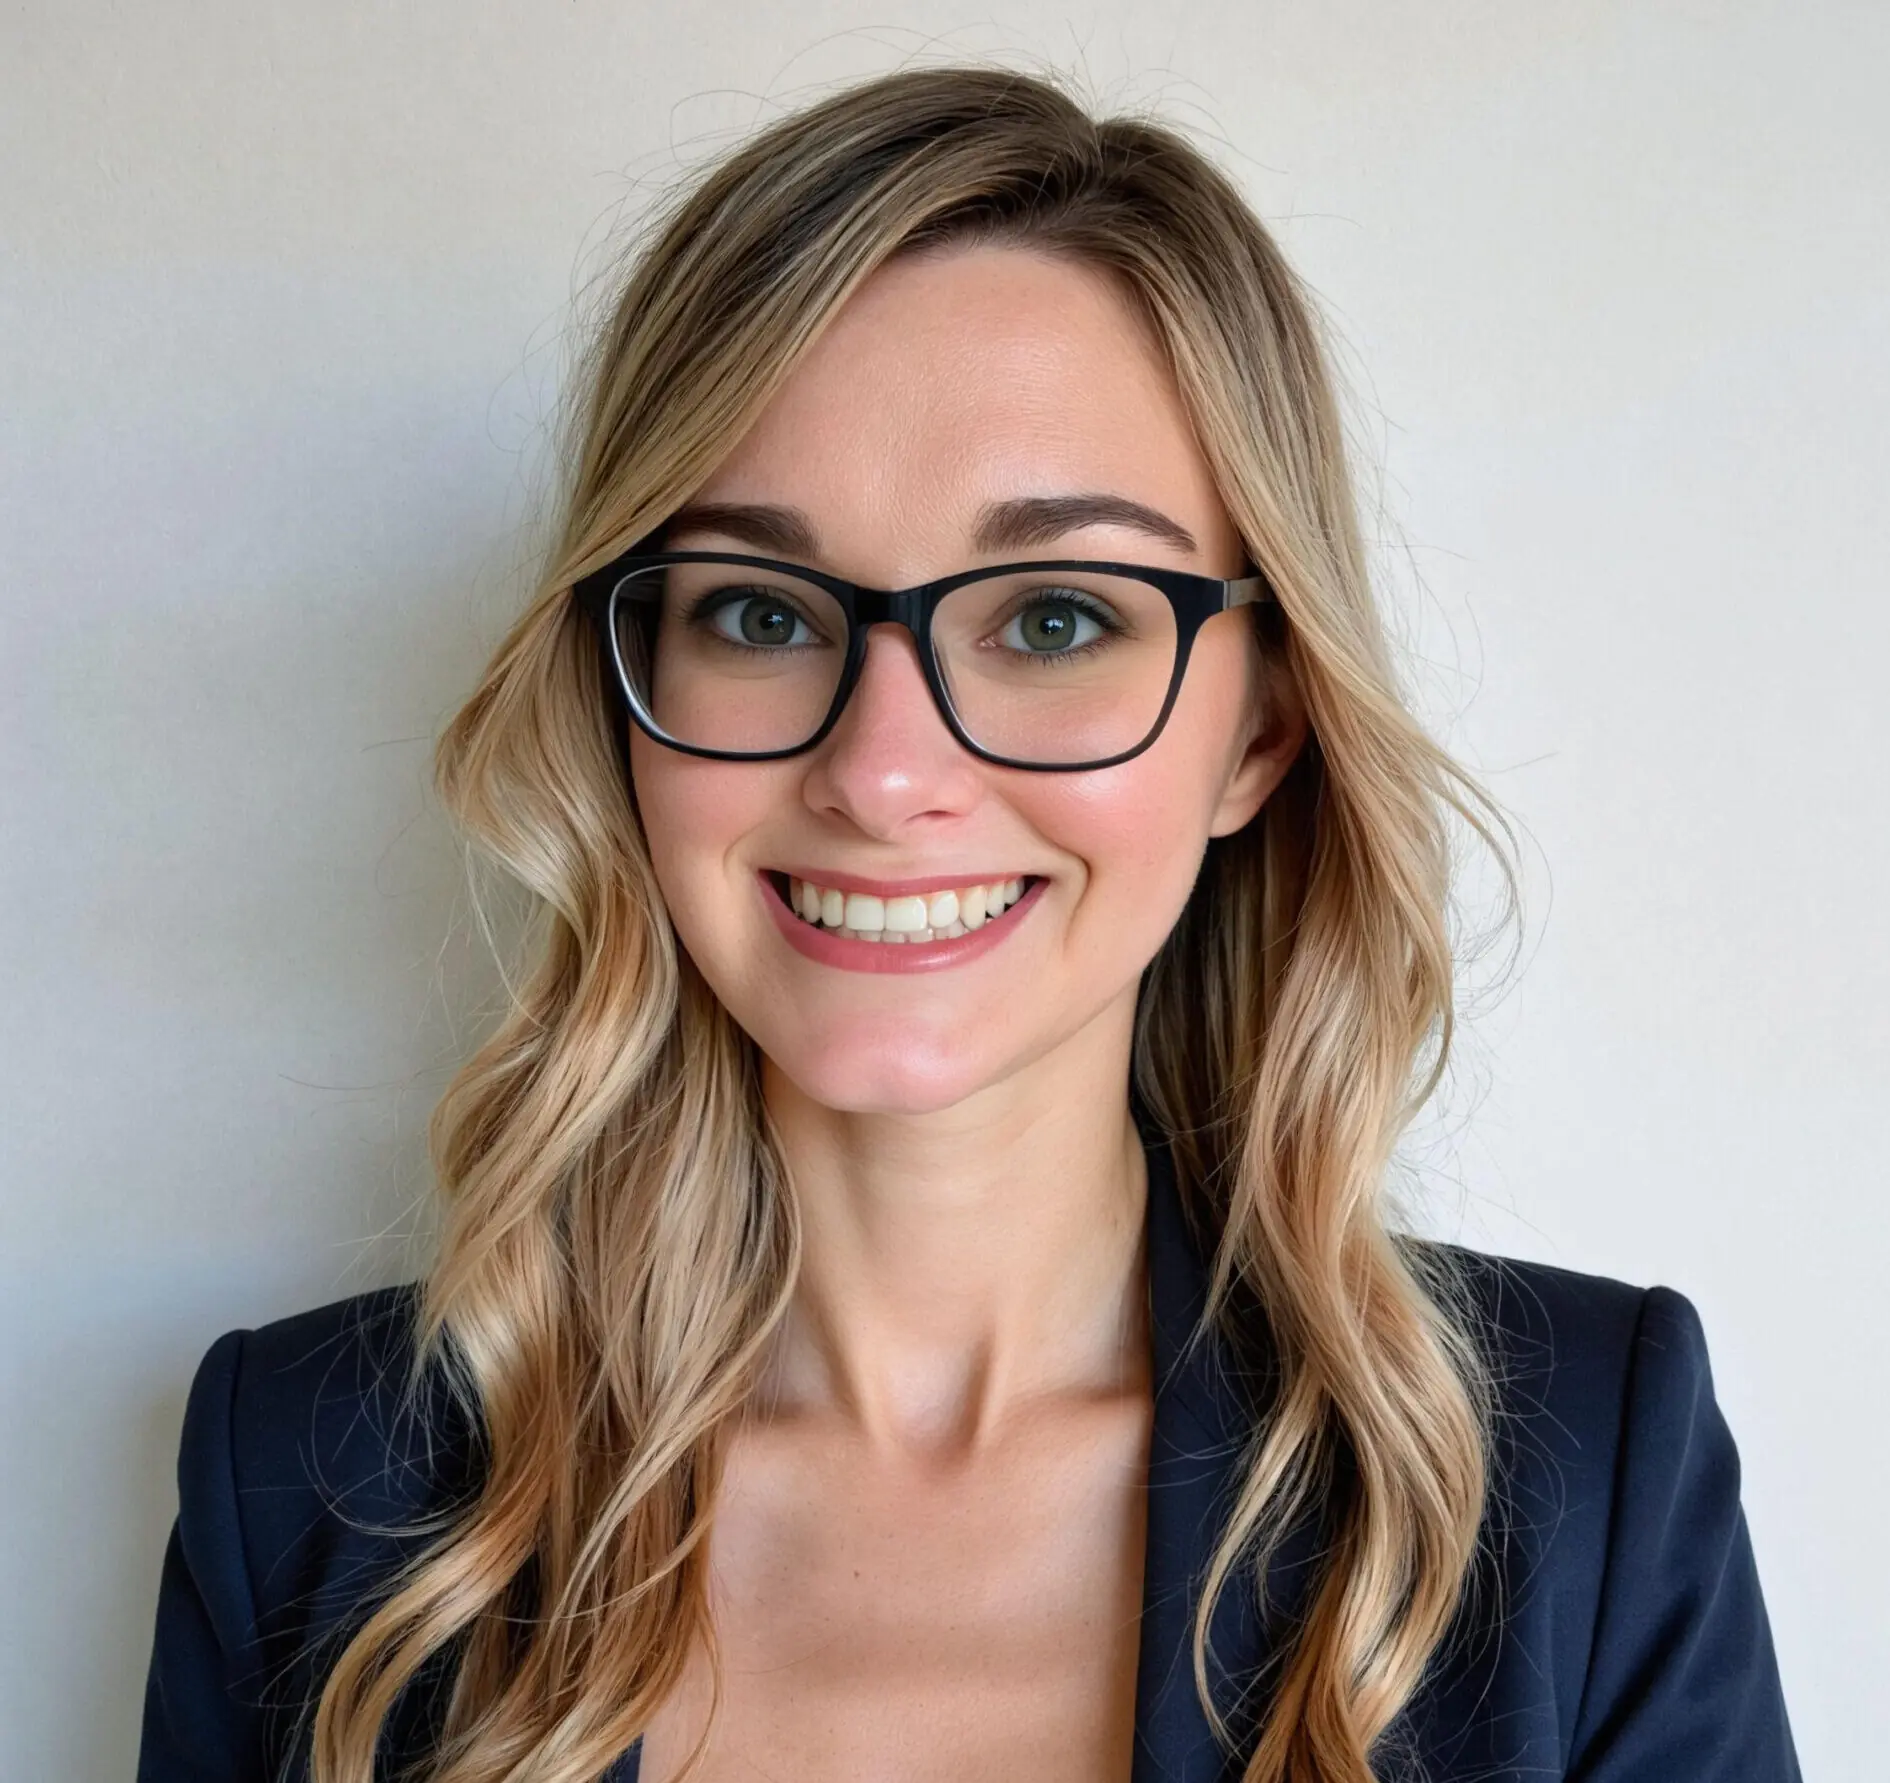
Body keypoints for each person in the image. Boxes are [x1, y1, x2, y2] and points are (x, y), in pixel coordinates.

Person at [135, 65, 1799, 1783]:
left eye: (1059, 617)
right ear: (622, 702)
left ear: (1259, 729)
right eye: (759, 610)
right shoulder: (305, 1482)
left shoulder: (1583, 1481)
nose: (882, 767)